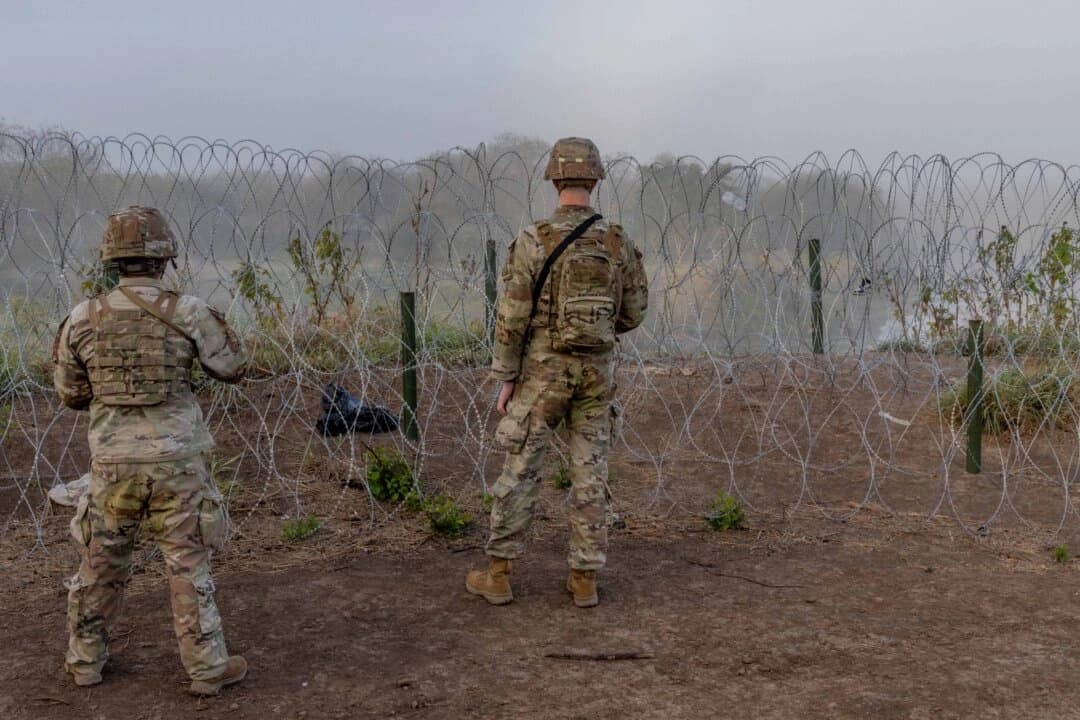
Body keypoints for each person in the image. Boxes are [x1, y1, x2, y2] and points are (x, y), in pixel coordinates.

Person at [53, 206, 248, 695]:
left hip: (113, 465)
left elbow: (71, 394)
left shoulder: (82, 317)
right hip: (178, 462)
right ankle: (206, 669)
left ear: (111, 261)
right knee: (187, 562)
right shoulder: (189, 312)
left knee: (101, 563)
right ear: (165, 259)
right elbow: (232, 367)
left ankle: (85, 662)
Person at [466, 137, 648, 608]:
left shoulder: (533, 239)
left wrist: (507, 377)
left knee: (523, 467)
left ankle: (499, 574)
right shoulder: (616, 241)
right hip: (596, 375)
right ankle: (584, 579)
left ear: (554, 178)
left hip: (543, 375)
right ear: (595, 178)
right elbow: (633, 313)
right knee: (590, 473)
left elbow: (511, 317)